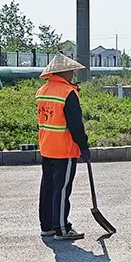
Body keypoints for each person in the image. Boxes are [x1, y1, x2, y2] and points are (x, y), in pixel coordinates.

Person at [36, 53, 91, 241]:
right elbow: (76, 124)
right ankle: (61, 228)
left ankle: (47, 226)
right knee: (62, 189)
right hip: (63, 149)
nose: (73, 74)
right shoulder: (68, 93)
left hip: (47, 146)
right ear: (64, 72)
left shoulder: (43, 90)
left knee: (48, 188)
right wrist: (83, 146)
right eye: (71, 71)